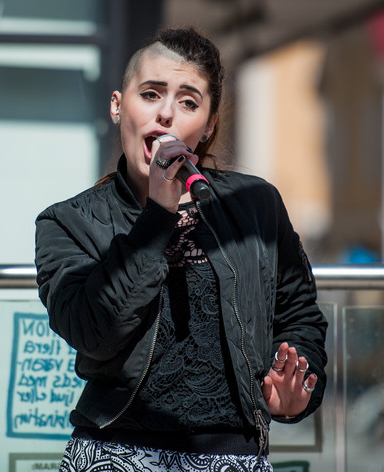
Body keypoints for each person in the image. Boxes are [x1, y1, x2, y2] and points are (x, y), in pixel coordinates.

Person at [34, 27, 327, 471]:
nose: (167, 113)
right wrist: (157, 215)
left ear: (208, 125)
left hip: (234, 457)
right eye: (151, 94)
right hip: (119, 454)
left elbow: (299, 316)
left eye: (189, 102)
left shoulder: (255, 204)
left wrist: (298, 388)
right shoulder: (68, 222)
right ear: (118, 106)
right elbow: (93, 329)